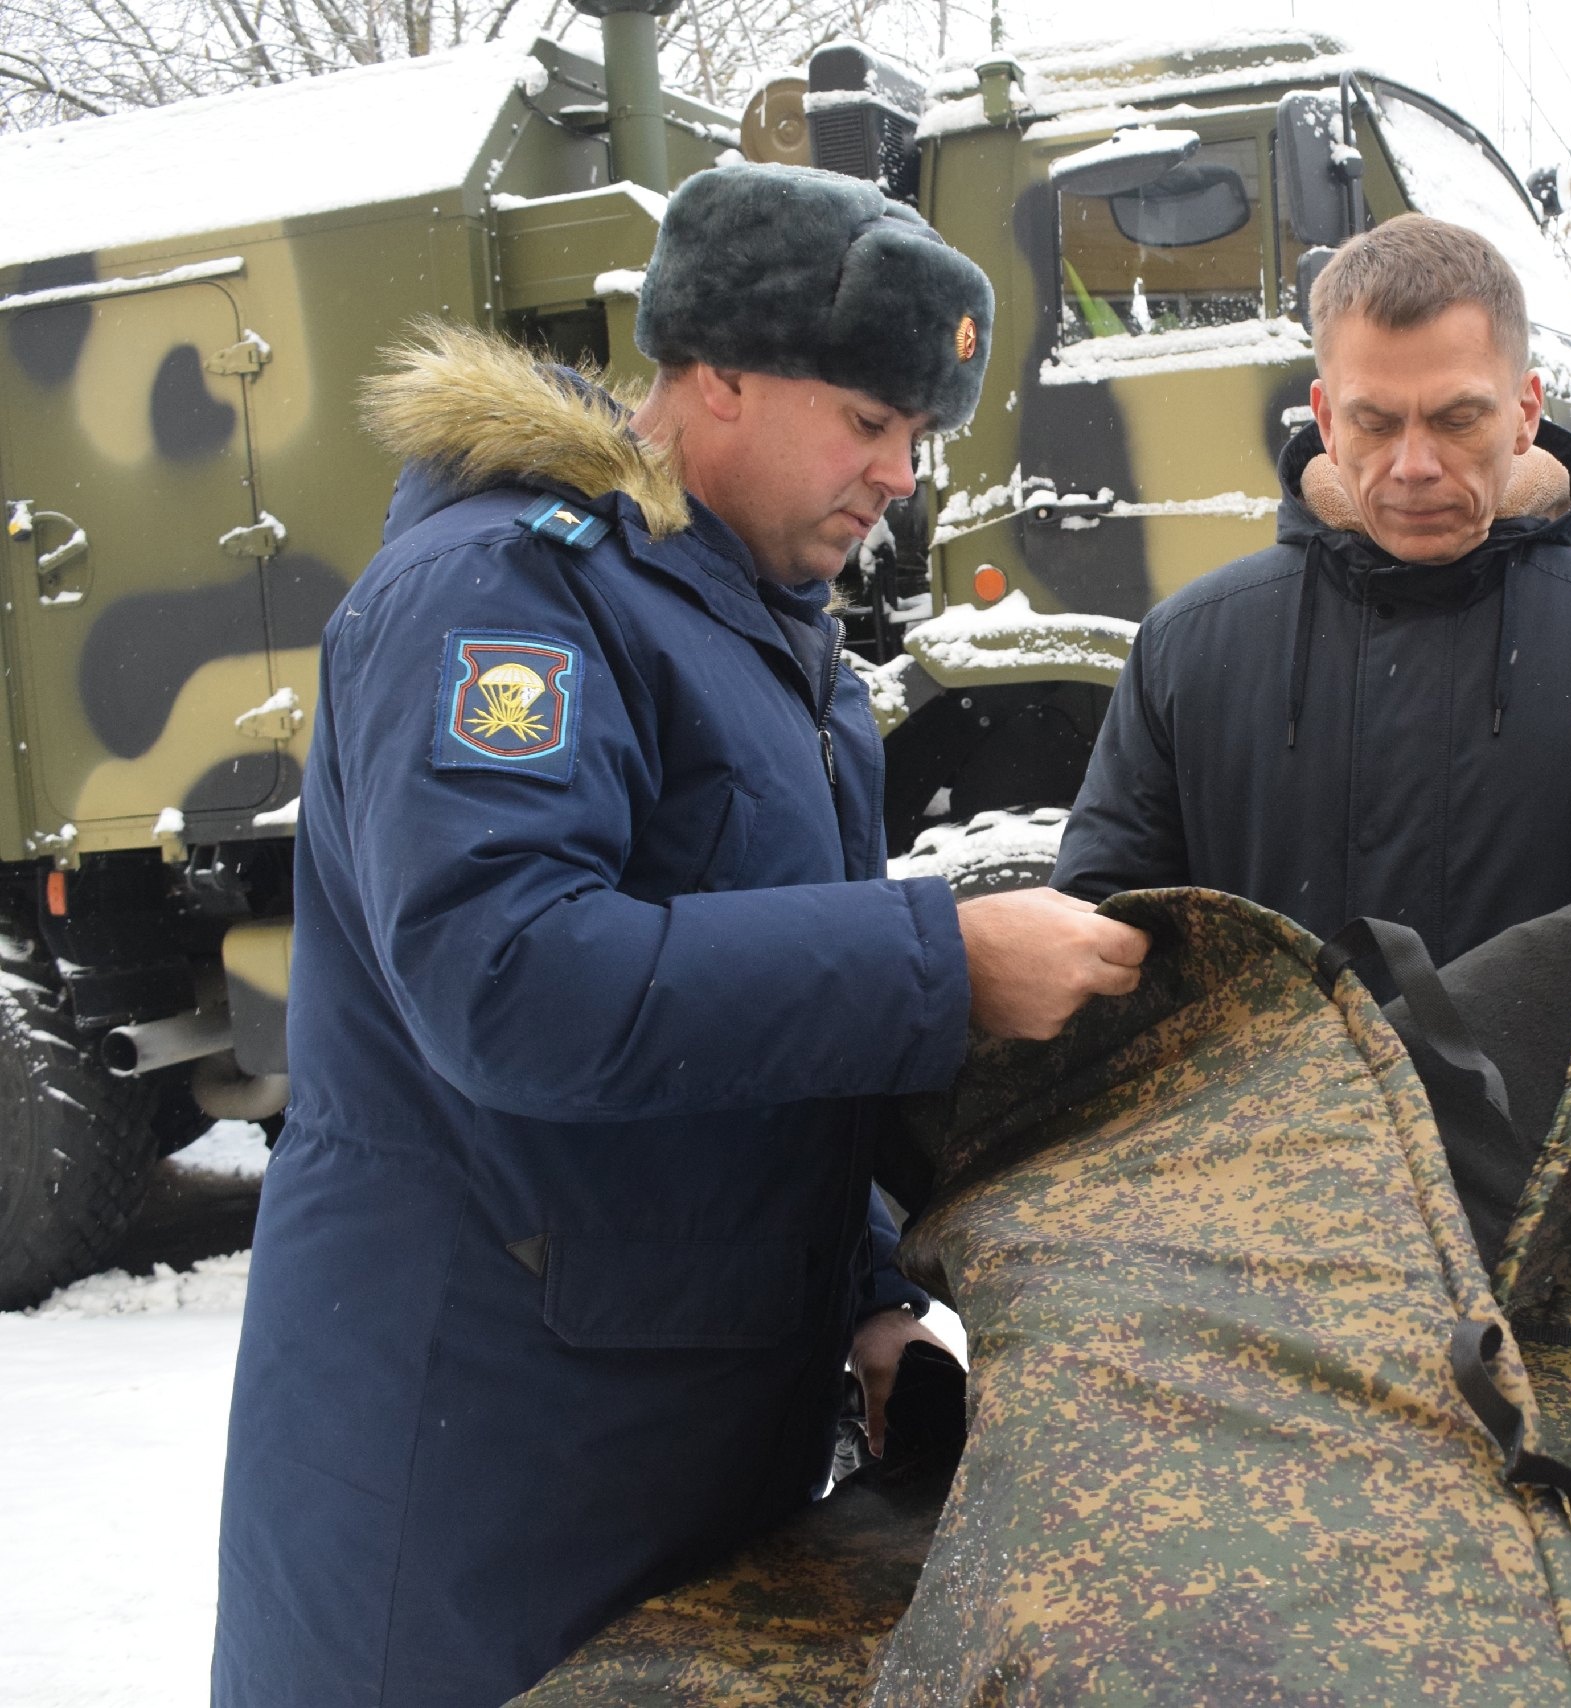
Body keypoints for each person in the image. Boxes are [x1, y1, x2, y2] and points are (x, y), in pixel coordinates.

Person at [212, 164, 1148, 1707]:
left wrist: (859, 1294)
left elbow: (758, 1051)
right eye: (867, 422)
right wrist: (948, 962)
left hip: (676, 1443)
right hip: (484, 1468)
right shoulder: (503, 594)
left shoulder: (772, 642)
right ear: (715, 372)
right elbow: (510, 980)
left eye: (919, 436)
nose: (901, 474)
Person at [1054, 214, 1571, 1312]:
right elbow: (1103, 952)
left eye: (1457, 419)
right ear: (1321, 415)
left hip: (1562, 1284)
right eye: (1374, 421)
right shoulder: (1191, 646)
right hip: (1271, 1287)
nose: (1412, 466)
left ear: (1526, 411)